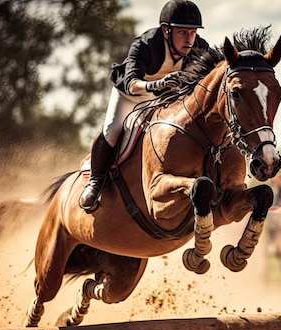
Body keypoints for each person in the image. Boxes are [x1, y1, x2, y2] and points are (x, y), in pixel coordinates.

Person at [79, 0, 210, 211]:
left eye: (193, 32)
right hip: (130, 94)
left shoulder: (200, 48)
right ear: (166, 31)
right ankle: (96, 182)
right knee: (112, 129)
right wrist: (157, 84)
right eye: (183, 32)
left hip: (162, 98)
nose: (189, 39)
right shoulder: (146, 44)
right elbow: (131, 83)